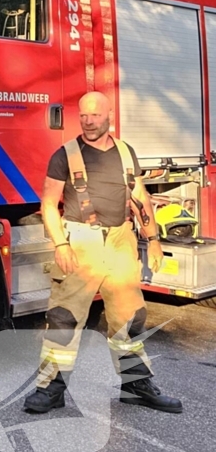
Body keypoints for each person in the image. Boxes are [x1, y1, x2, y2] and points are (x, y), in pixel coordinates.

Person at [24, 91, 182, 414]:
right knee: (64, 318)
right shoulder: (65, 155)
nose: (88, 120)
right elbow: (48, 204)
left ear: (109, 114)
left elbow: (140, 197)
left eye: (95, 114)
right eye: (83, 115)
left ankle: (135, 385)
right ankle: (51, 389)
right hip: (80, 242)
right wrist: (61, 244)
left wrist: (152, 239)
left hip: (121, 240)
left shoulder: (126, 152)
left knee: (130, 317)